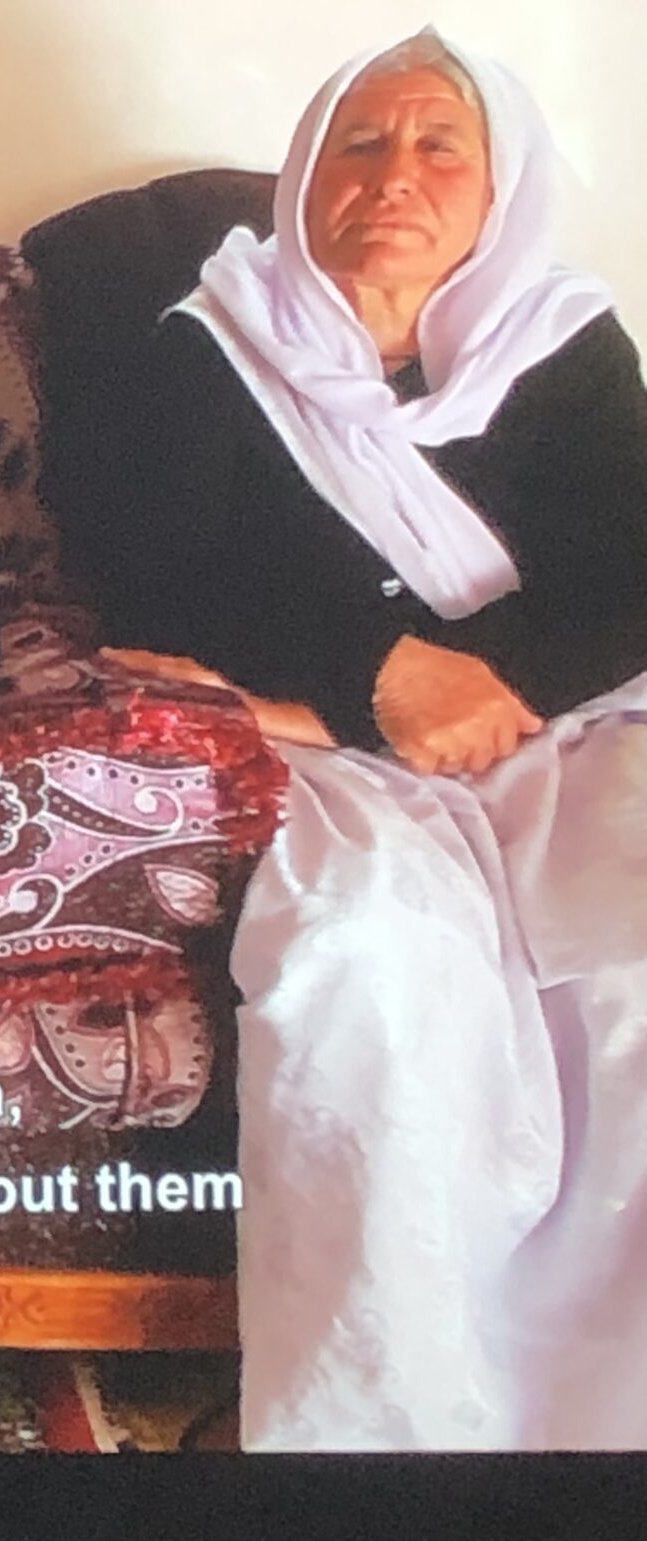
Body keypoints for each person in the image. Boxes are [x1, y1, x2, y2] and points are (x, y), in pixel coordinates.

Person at [91, 31, 647, 1449]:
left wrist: (479, 695)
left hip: (558, 724)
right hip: (326, 754)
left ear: (499, 186)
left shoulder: (568, 345)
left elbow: (628, 582)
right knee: (372, 965)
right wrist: (372, 680)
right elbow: (162, 584)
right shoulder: (205, 346)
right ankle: (386, 1443)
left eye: (437, 146)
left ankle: (598, 1429)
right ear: (305, 176)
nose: (394, 176)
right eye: (361, 143)